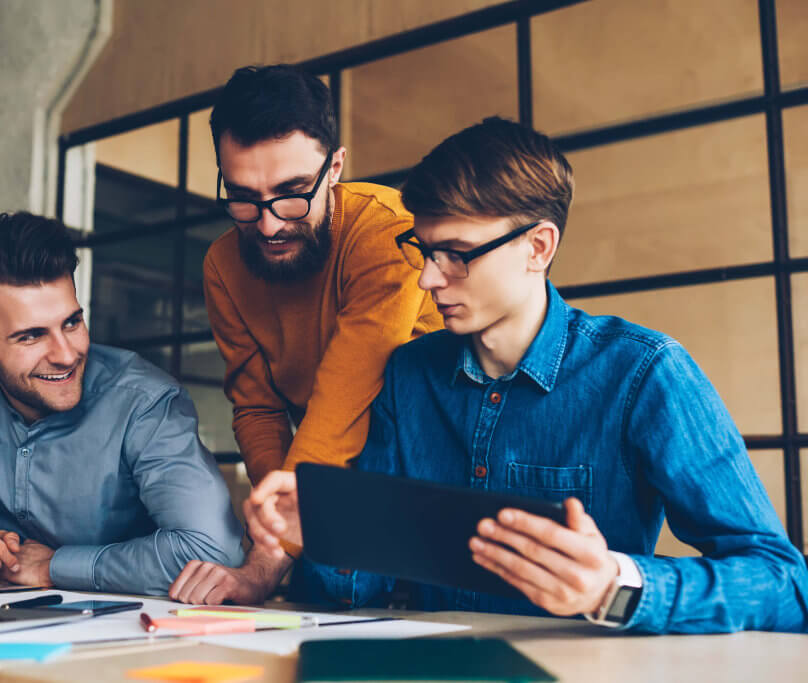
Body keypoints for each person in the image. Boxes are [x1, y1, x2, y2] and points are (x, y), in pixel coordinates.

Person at [242, 117, 808, 633]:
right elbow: (359, 588)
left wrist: (615, 585)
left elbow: (786, 585)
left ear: (538, 246)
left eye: (458, 254)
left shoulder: (644, 372)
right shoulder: (408, 376)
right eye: (424, 250)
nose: (428, 281)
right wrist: (317, 530)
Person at [168, 64, 442, 605]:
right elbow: (257, 408)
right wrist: (277, 536)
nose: (268, 224)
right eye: (244, 197)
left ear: (335, 167)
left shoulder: (387, 229)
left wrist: (270, 557)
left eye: (291, 193)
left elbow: (349, 390)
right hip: (327, 484)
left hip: (428, 469)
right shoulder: (222, 264)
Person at [0, 212, 244, 595]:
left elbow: (213, 552)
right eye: (31, 336)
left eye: (72, 323)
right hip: (1, 630)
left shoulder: (143, 402)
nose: (65, 354)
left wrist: (55, 567)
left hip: (139, 634)